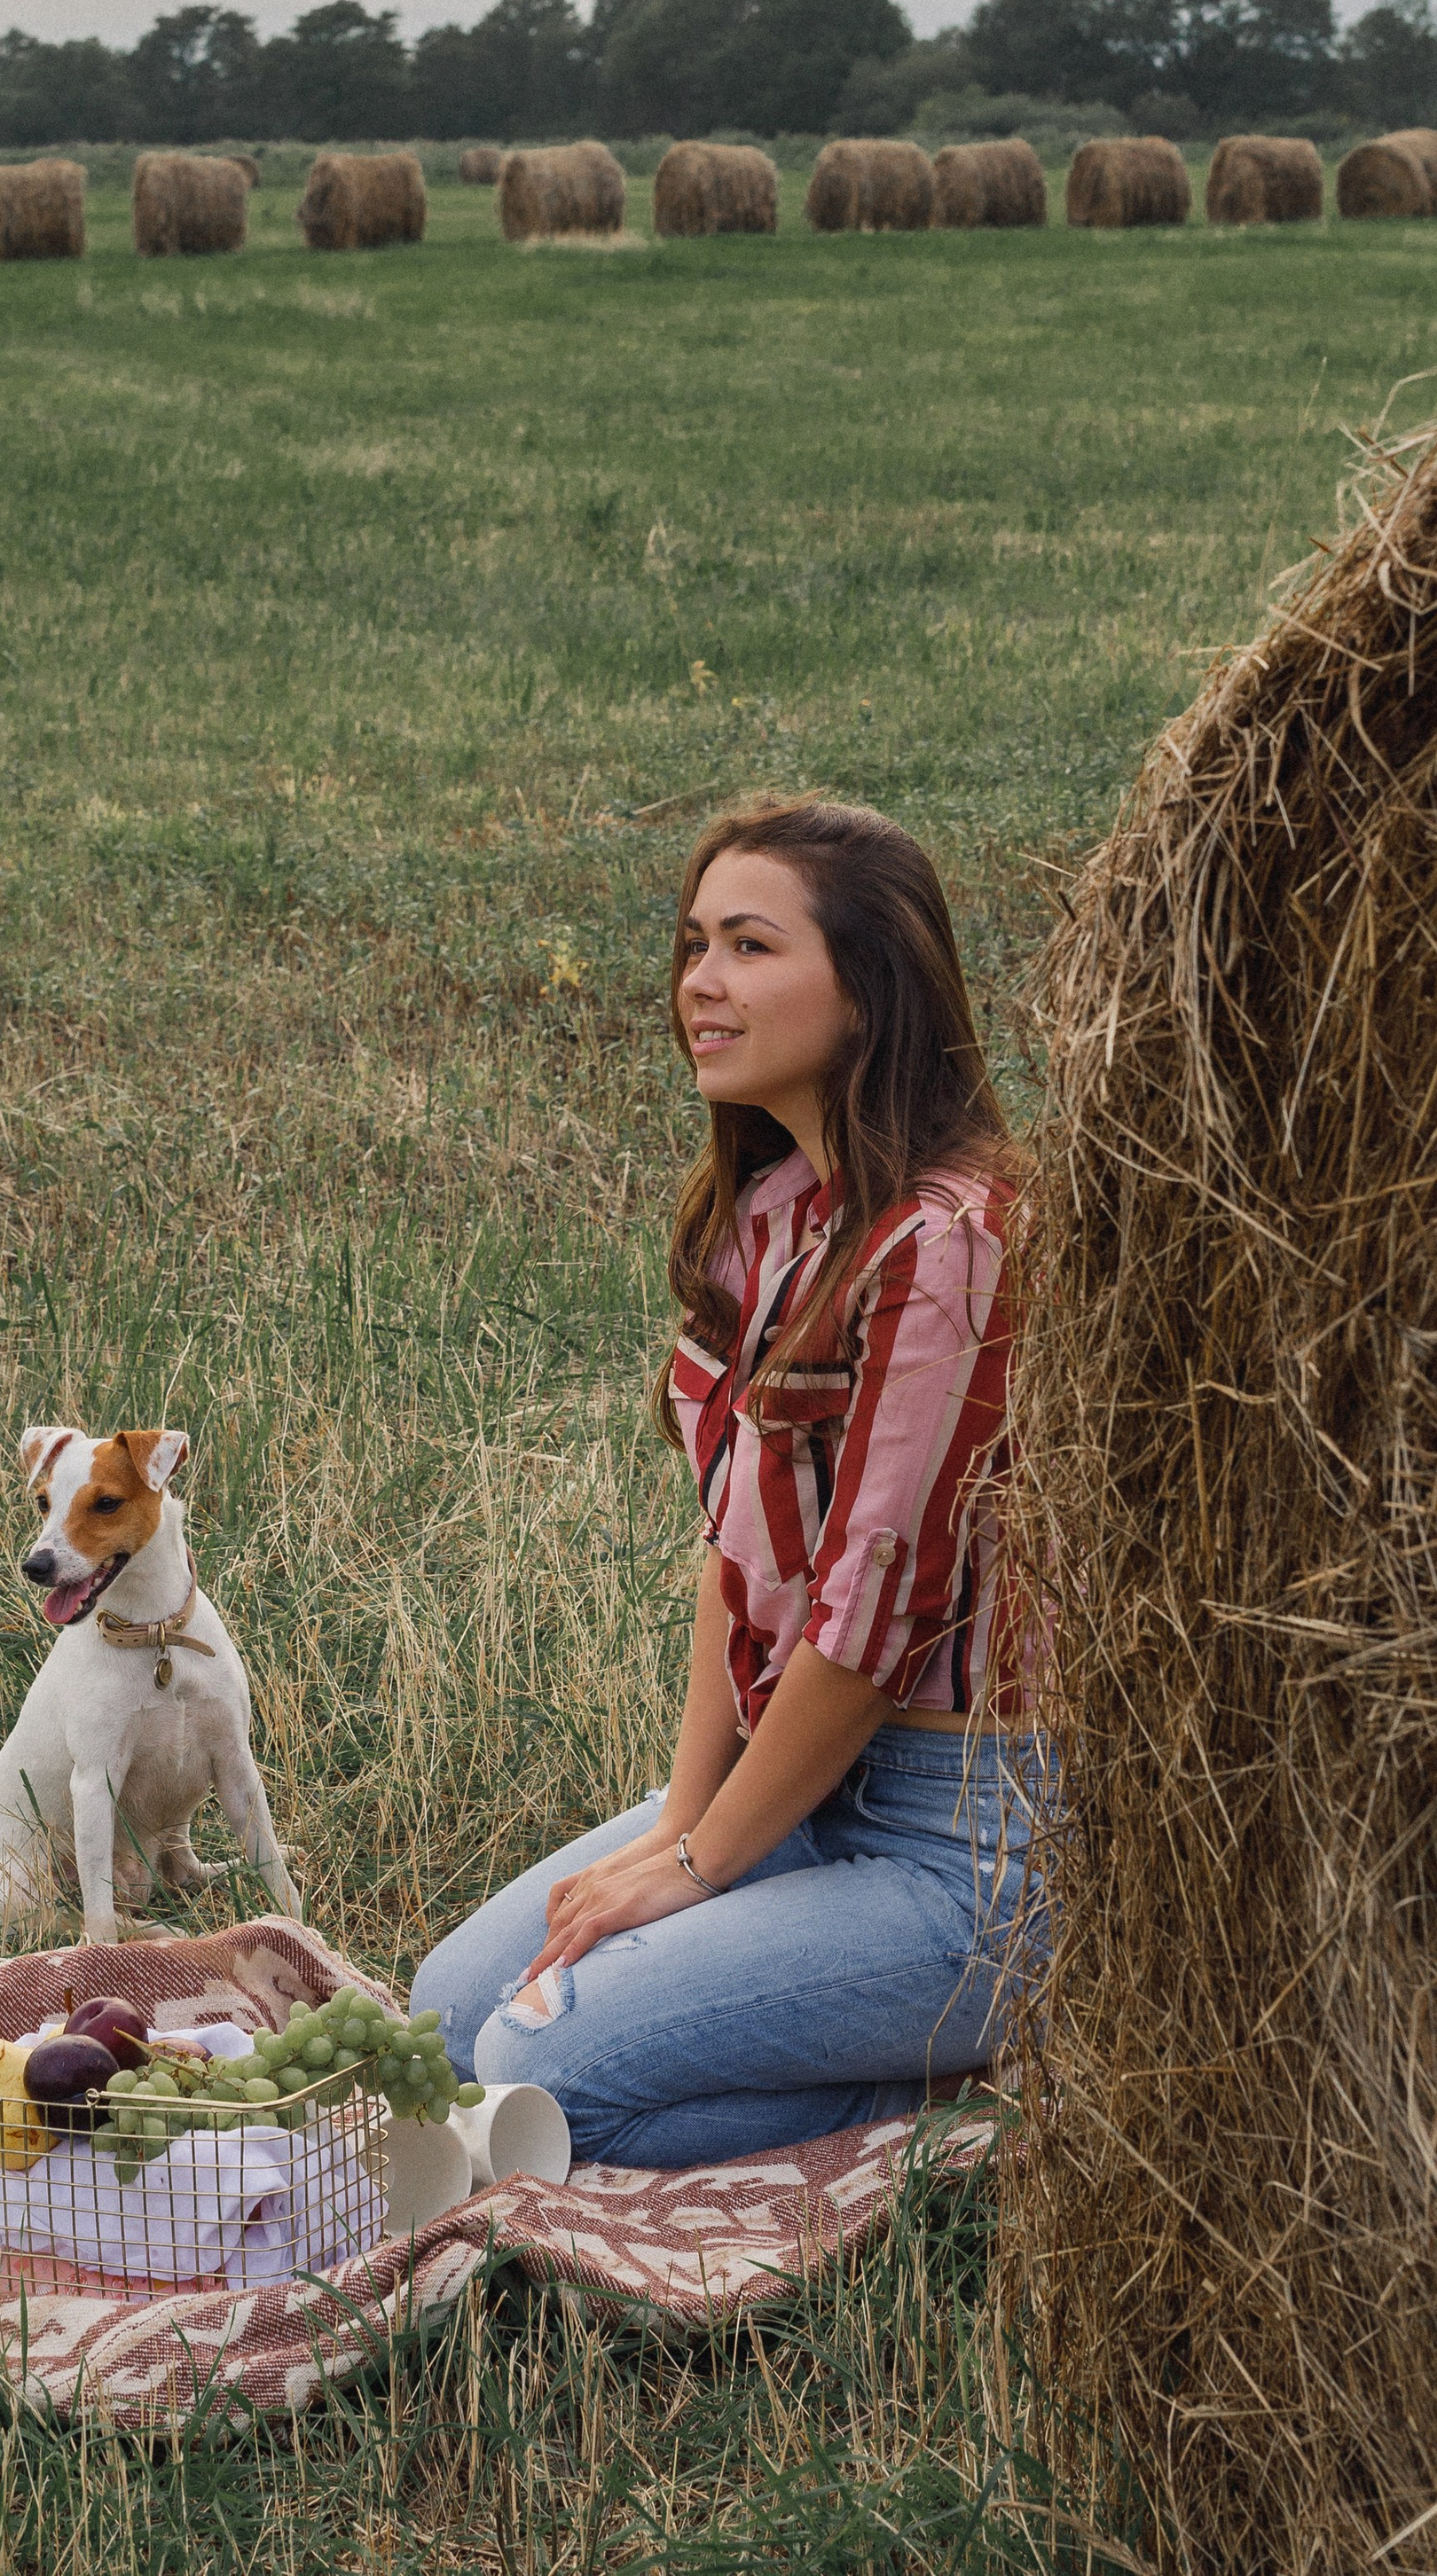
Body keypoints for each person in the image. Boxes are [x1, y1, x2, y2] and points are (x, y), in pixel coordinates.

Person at [411, 795, 1045, 2168]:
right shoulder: (769, 1217)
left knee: (538, 2068)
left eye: (750, 946)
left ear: (868, 990)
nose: (701, 982)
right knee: (449, 2022)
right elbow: (738, 1568)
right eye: (694, 943)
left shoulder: (959, 1241)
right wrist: (686, 1835)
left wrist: (696, 1873)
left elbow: (869, 1628)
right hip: (803, 1788)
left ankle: (973, 2088)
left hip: (978, 1842)